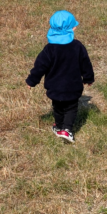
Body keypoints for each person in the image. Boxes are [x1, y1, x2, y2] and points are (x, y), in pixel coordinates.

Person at [26, 11, 94, 143]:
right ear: (71, 29)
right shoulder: (77, 47)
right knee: (71, 108)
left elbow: (40, 67)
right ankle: (67, 129)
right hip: (73, 87)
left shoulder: (49, 49)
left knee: (57, 107)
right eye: (73, 26)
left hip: (55, 87)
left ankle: (59, 126)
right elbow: (86, 64)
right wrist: (88, 78)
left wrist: (32, 81)